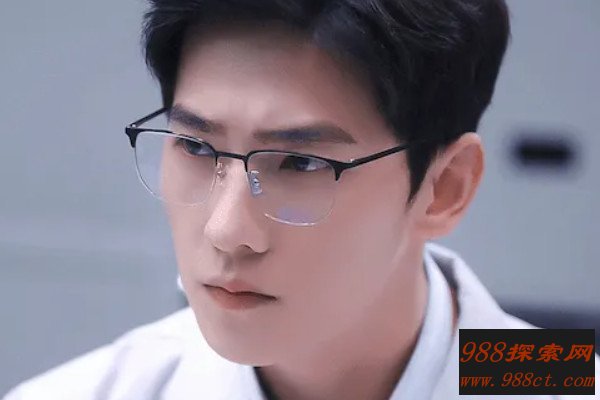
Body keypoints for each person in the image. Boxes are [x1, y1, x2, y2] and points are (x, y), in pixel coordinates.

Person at [4, 0, 599, 399]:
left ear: (445, 189)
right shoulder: (93, 392)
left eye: (301, 163)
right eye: (196, 147)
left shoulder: (557, 382)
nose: (226, 230)